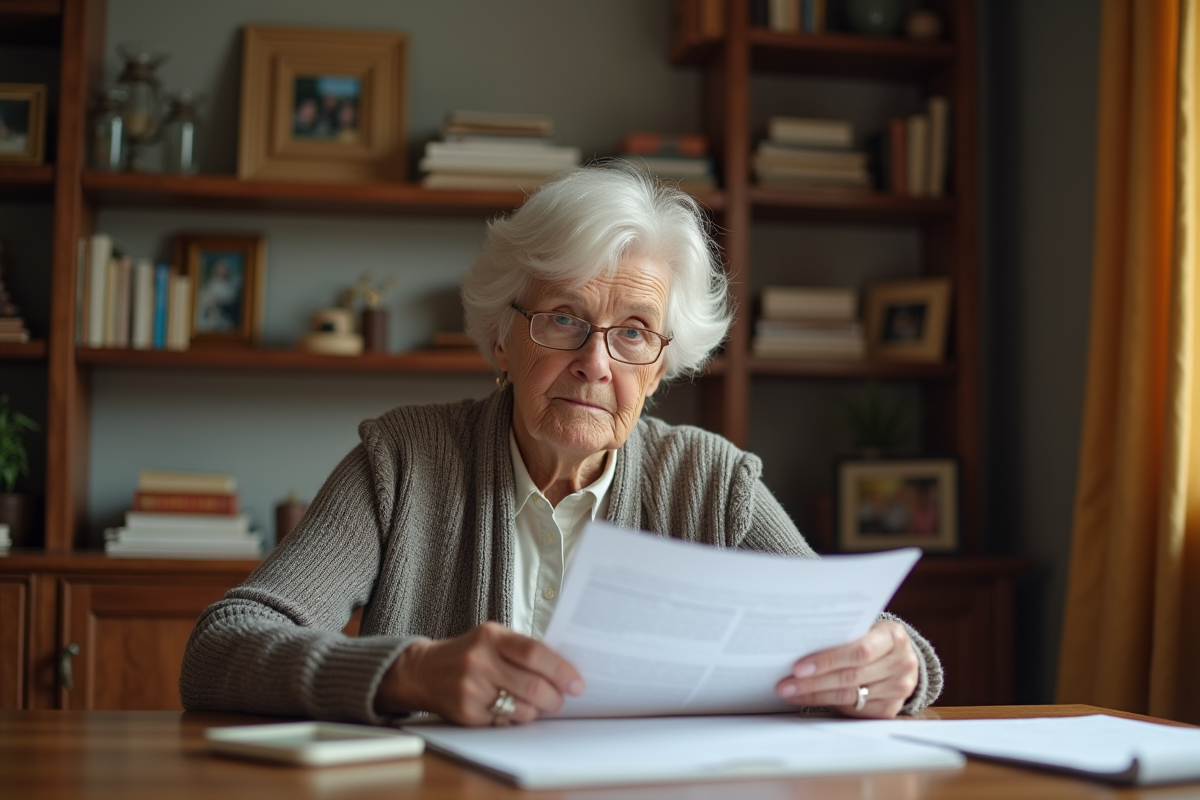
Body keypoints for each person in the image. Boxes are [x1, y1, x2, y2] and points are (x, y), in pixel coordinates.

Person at [180, 164, 942, 727]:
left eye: (633, 333)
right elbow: (223, 646)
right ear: (501, 338)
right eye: (564, 318)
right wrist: (409, 673)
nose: (595, 362)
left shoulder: (712, 483)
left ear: (660, 370)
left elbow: (859, 641)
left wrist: (897, 665)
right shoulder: (405, 460)